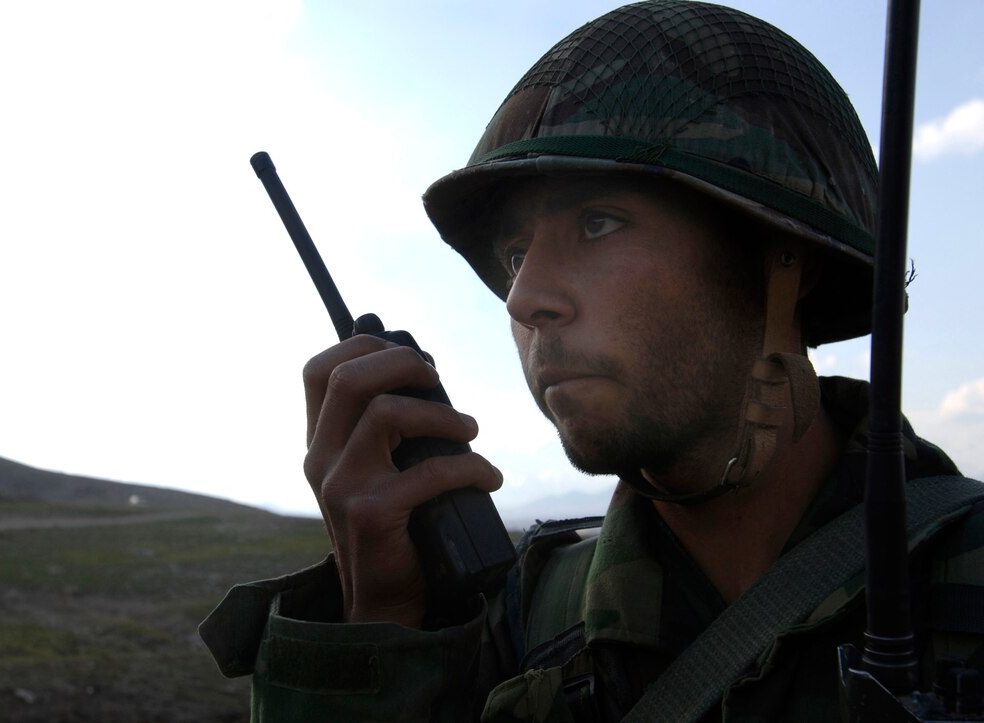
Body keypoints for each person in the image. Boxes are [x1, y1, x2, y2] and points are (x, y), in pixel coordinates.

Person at [200, 2, 984, 720]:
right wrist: (379, 627)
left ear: (783, 261)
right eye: (513, 254)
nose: (525, 296)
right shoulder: (519, 625)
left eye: (600, 223)